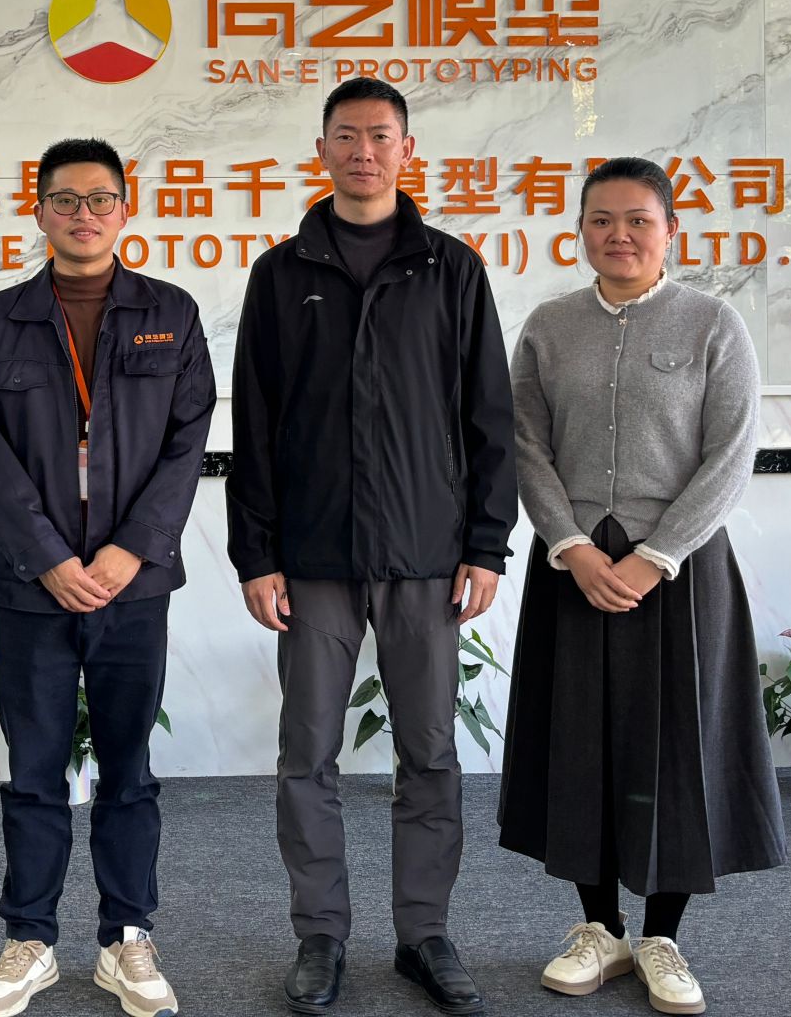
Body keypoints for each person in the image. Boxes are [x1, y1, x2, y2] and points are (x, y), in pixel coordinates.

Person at [228, 78, 518, 1017]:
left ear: (407, 150)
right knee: (306, 753)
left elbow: (489, 417)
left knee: (429, 752)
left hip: (427, 552)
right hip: (311, 556)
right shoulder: (281, 274)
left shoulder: (451, 269)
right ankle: (320, 935)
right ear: (321, 150)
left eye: (380, 136)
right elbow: (255, 423)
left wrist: (486, 545)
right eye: (346, 136)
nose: (363, 151)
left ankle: (424, 933)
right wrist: (254, 554)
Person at [497, 157, 785, 1016]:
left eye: (637, 220)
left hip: (680, 573)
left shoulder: (713, 324)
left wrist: (657, 555)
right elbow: (524, 444)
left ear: (670, 231)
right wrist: (570, 545)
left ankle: (662, 937)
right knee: (578, 741)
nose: (618, 235)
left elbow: (731, 454)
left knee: (677, 746)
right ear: (580, 231)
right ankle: (599, 928)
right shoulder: (549, 327)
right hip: (576, 566)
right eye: (601, 220)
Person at [0, 138, 216, 1017]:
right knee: (33, 767)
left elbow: (187, 444)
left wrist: (130, 550)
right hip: (32, 585)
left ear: (124, 208)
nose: (83, 214)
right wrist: (49, 558)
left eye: (99, 199)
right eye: (65, 200)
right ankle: (29, 939)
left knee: (128, 766)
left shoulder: (170, 314)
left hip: (132, 585)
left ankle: (126, 938)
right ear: (38, 211)